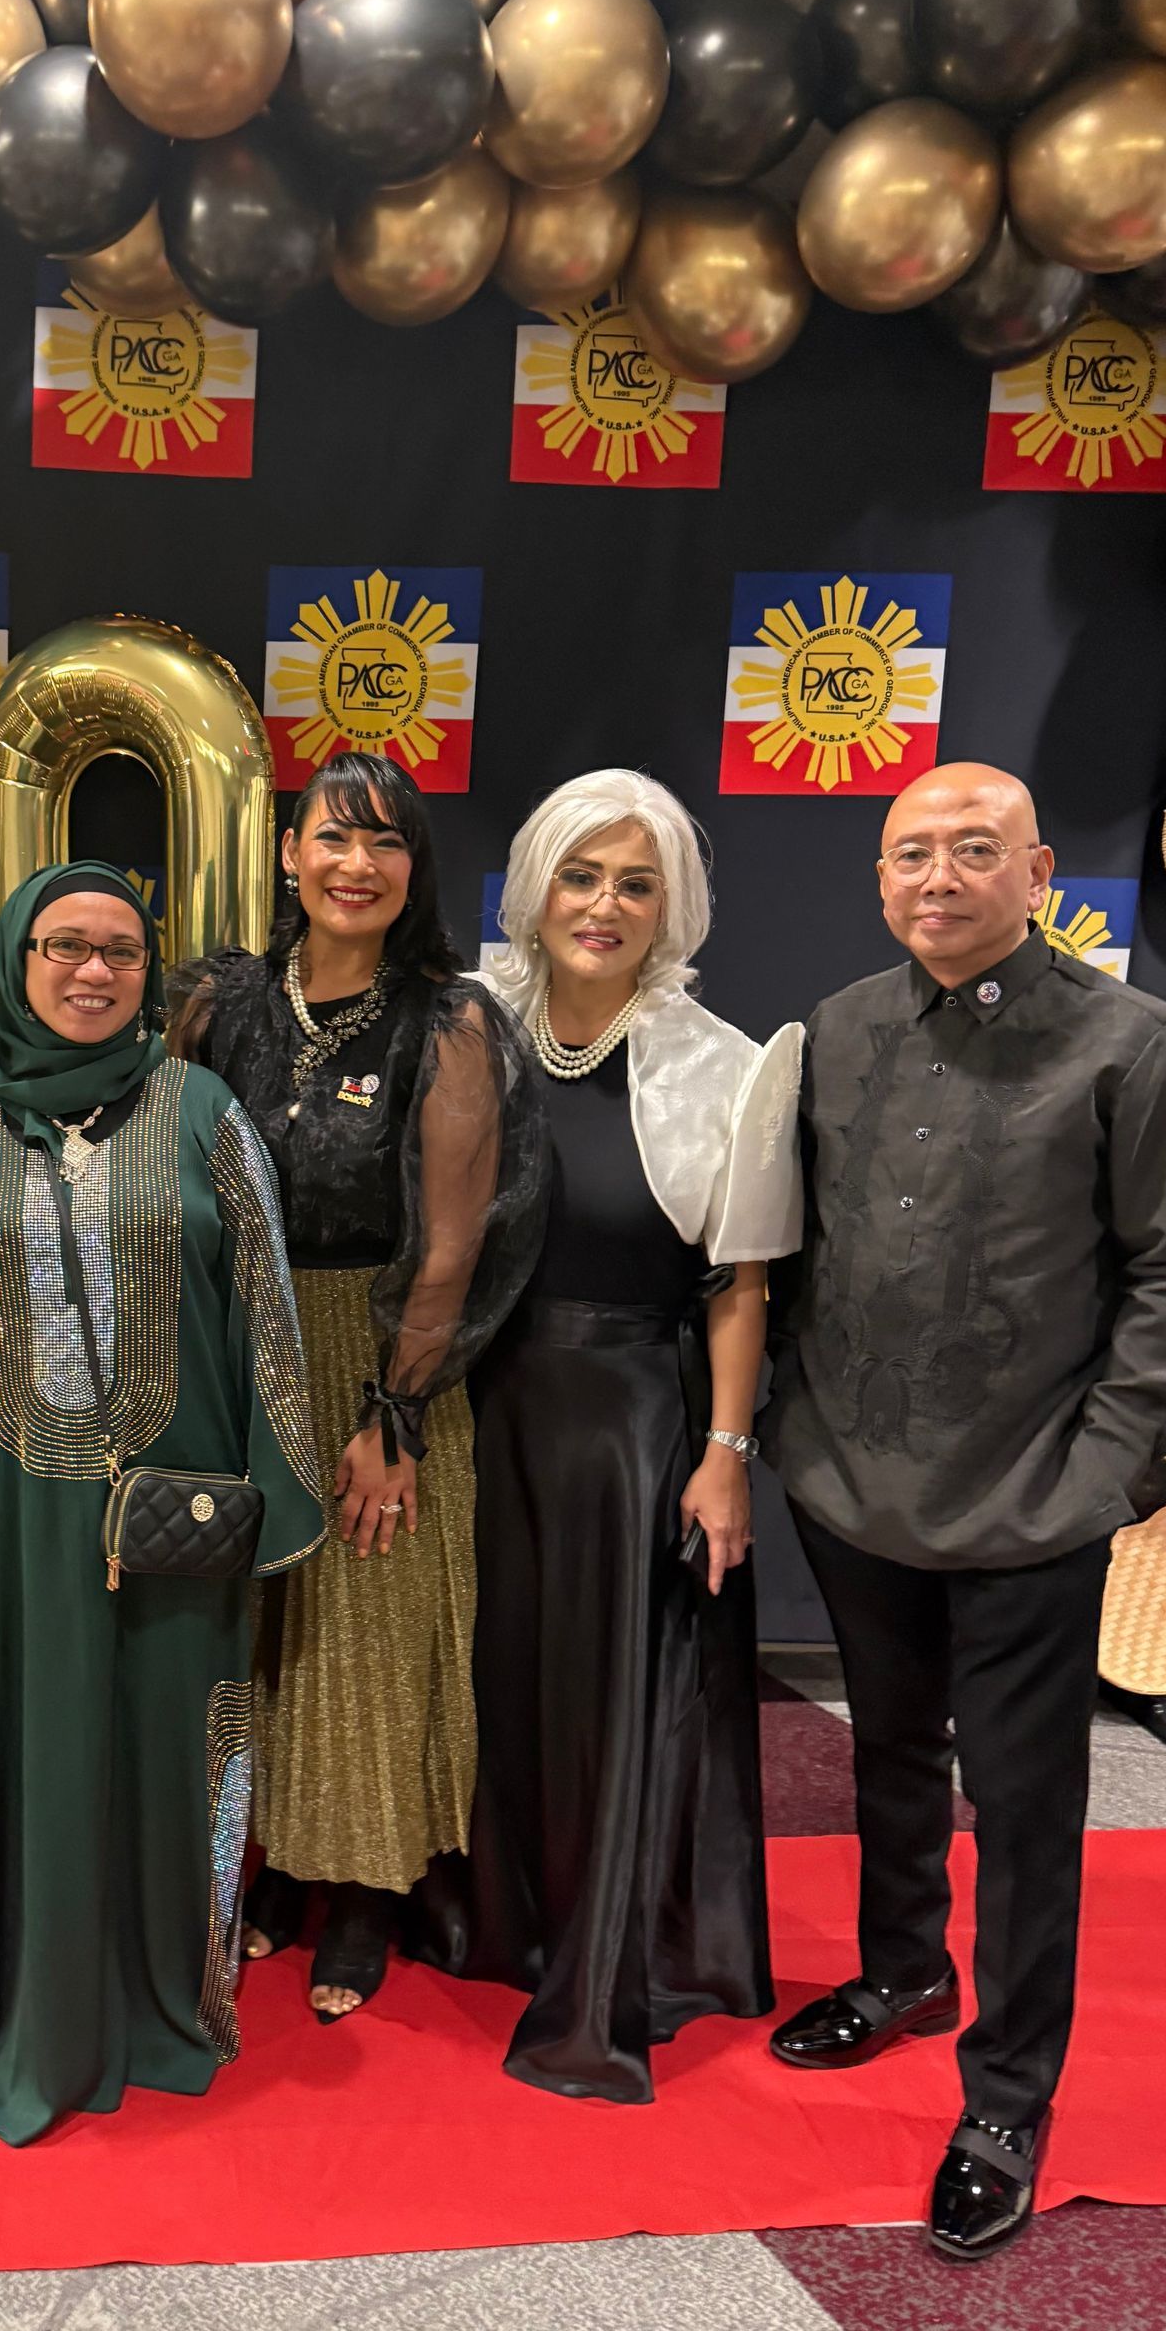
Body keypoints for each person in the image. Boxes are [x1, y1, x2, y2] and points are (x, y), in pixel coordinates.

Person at [764, 762, 1166, 2261]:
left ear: (1039, 871)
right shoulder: (838, 1029)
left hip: (1031, 1498)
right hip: (852, 1482)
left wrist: (1111, 1472)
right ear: (880, 878)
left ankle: (1006, 2095)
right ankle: (902, 1972)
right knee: (887, 1752)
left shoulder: (1134, 1045)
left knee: (1022, 1803)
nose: (938, 877)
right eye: (911, 854)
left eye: (974, 850)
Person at [0, 861, 326, 2146]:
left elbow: (269, 1310)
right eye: (63, 945)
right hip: (12, 1521)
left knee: (172, 1756)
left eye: (121, 951)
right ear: (16, 961)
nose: (93, 970)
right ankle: (34, 1999)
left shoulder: (204, 1112)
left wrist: (275, 1498)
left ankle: (170, 1992)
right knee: (29, 1754)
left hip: (183, 1522)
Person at [410, 770, 801, 2101]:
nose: (605, 905)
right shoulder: (467, 1019)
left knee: (615, 1700)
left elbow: (740, 1284)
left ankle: (601, 1961)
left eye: (637, 884)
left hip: (631, 1424)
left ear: (671, 908)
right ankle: (496, 1920)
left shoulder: (723, 1066)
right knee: (491, 1680)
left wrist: (726, 1456)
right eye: (581, 876)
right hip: (479, 1407)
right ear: (534, 888)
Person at [173, 758, 546, 2020]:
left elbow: (451, 1249)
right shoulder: (217, 1002)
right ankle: (281, 1863)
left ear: (414, 871)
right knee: (263, 1628)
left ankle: (368, 1897)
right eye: (334, 837)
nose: (357, 864)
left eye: (388, 844)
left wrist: (394, 1416)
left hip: (376, 1350)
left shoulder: (447, 1021)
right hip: (238, 1351)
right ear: (290, 854)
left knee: (368, 1631)